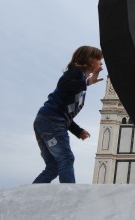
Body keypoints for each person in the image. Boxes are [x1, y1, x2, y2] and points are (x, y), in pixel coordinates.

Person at [32, 46, 103, 184]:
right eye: (99, 59)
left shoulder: (80, 81)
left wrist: (78, 131)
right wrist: (88, 82)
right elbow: (63, 84)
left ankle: (27, 196)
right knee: (66, 158)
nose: (101, 63)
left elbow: (64, 113)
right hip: (50, 121)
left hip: (49, 121)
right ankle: (70, 195)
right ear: (89, 60)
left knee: (53, 167)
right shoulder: (75, 72)